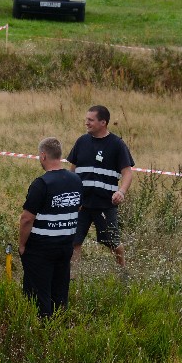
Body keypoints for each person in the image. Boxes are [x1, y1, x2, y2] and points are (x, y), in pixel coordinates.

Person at [18, 137, 83, 317]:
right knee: (60, 291)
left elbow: (26, 219)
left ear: (43, 155)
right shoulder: (76, 180)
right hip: (65, 246)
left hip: (41, 248)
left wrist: (22, 245)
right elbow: (78, 207)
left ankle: (43, 330)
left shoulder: (41, 184)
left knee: (39, 294)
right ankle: (59, 324)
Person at [67, 105, 135, 267]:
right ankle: (71, 279)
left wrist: (122, 192)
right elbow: (73, 171)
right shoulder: (81, 141)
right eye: (86, 119)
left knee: (112, 243)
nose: (87, 123)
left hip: (105, 205)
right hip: (81, 204)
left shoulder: (117, 145)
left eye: (91, 120)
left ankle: (122, 273)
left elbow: (127, 173)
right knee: (74, 242)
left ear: (103, 122)